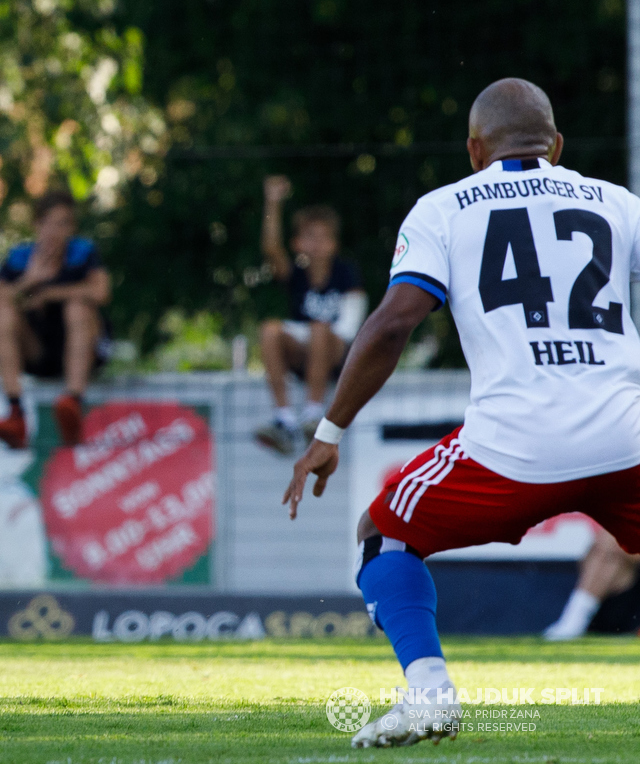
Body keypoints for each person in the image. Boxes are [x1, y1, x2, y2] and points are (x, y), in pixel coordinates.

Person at [285, 78, 640, 748]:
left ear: (475, 149)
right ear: (557, 145)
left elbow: (392, 326)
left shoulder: (443, 208)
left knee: (381, 533)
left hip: (514, 450)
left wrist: (328, 430)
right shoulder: (618, 203)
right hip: (626, 438)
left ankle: (429, 695)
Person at [0, 191, 111, 448]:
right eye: (51, 223)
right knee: (3, 313)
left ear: (72, 227)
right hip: (37, 353)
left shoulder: (83, 253)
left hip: (84, 353)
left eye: (64, 223)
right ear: (37, 225)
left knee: (77, 307)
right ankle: (16, 413)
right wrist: (29, 281)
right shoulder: (19, 259)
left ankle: (73, 402)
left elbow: (100, 292)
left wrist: (49, 294)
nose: (57, 231)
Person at [254, 176, 367, 455]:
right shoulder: (296, 273)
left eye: (322, 237)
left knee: (319, 329)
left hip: (337, 352)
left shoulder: (346, 273)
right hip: (305, 350)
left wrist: (323, 337)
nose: (316, 244)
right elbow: (270, 249)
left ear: (333, 244)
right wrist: (272, 203)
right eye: (309, 237)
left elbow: (350, 328)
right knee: (270, 329)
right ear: (297, 243)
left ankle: (314, 414)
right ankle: (283, 417)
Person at [543, 526, 639, 640]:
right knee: (609, 538)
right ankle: (574, 622)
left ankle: (574, 622)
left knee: (612, 541)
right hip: (623, 594)